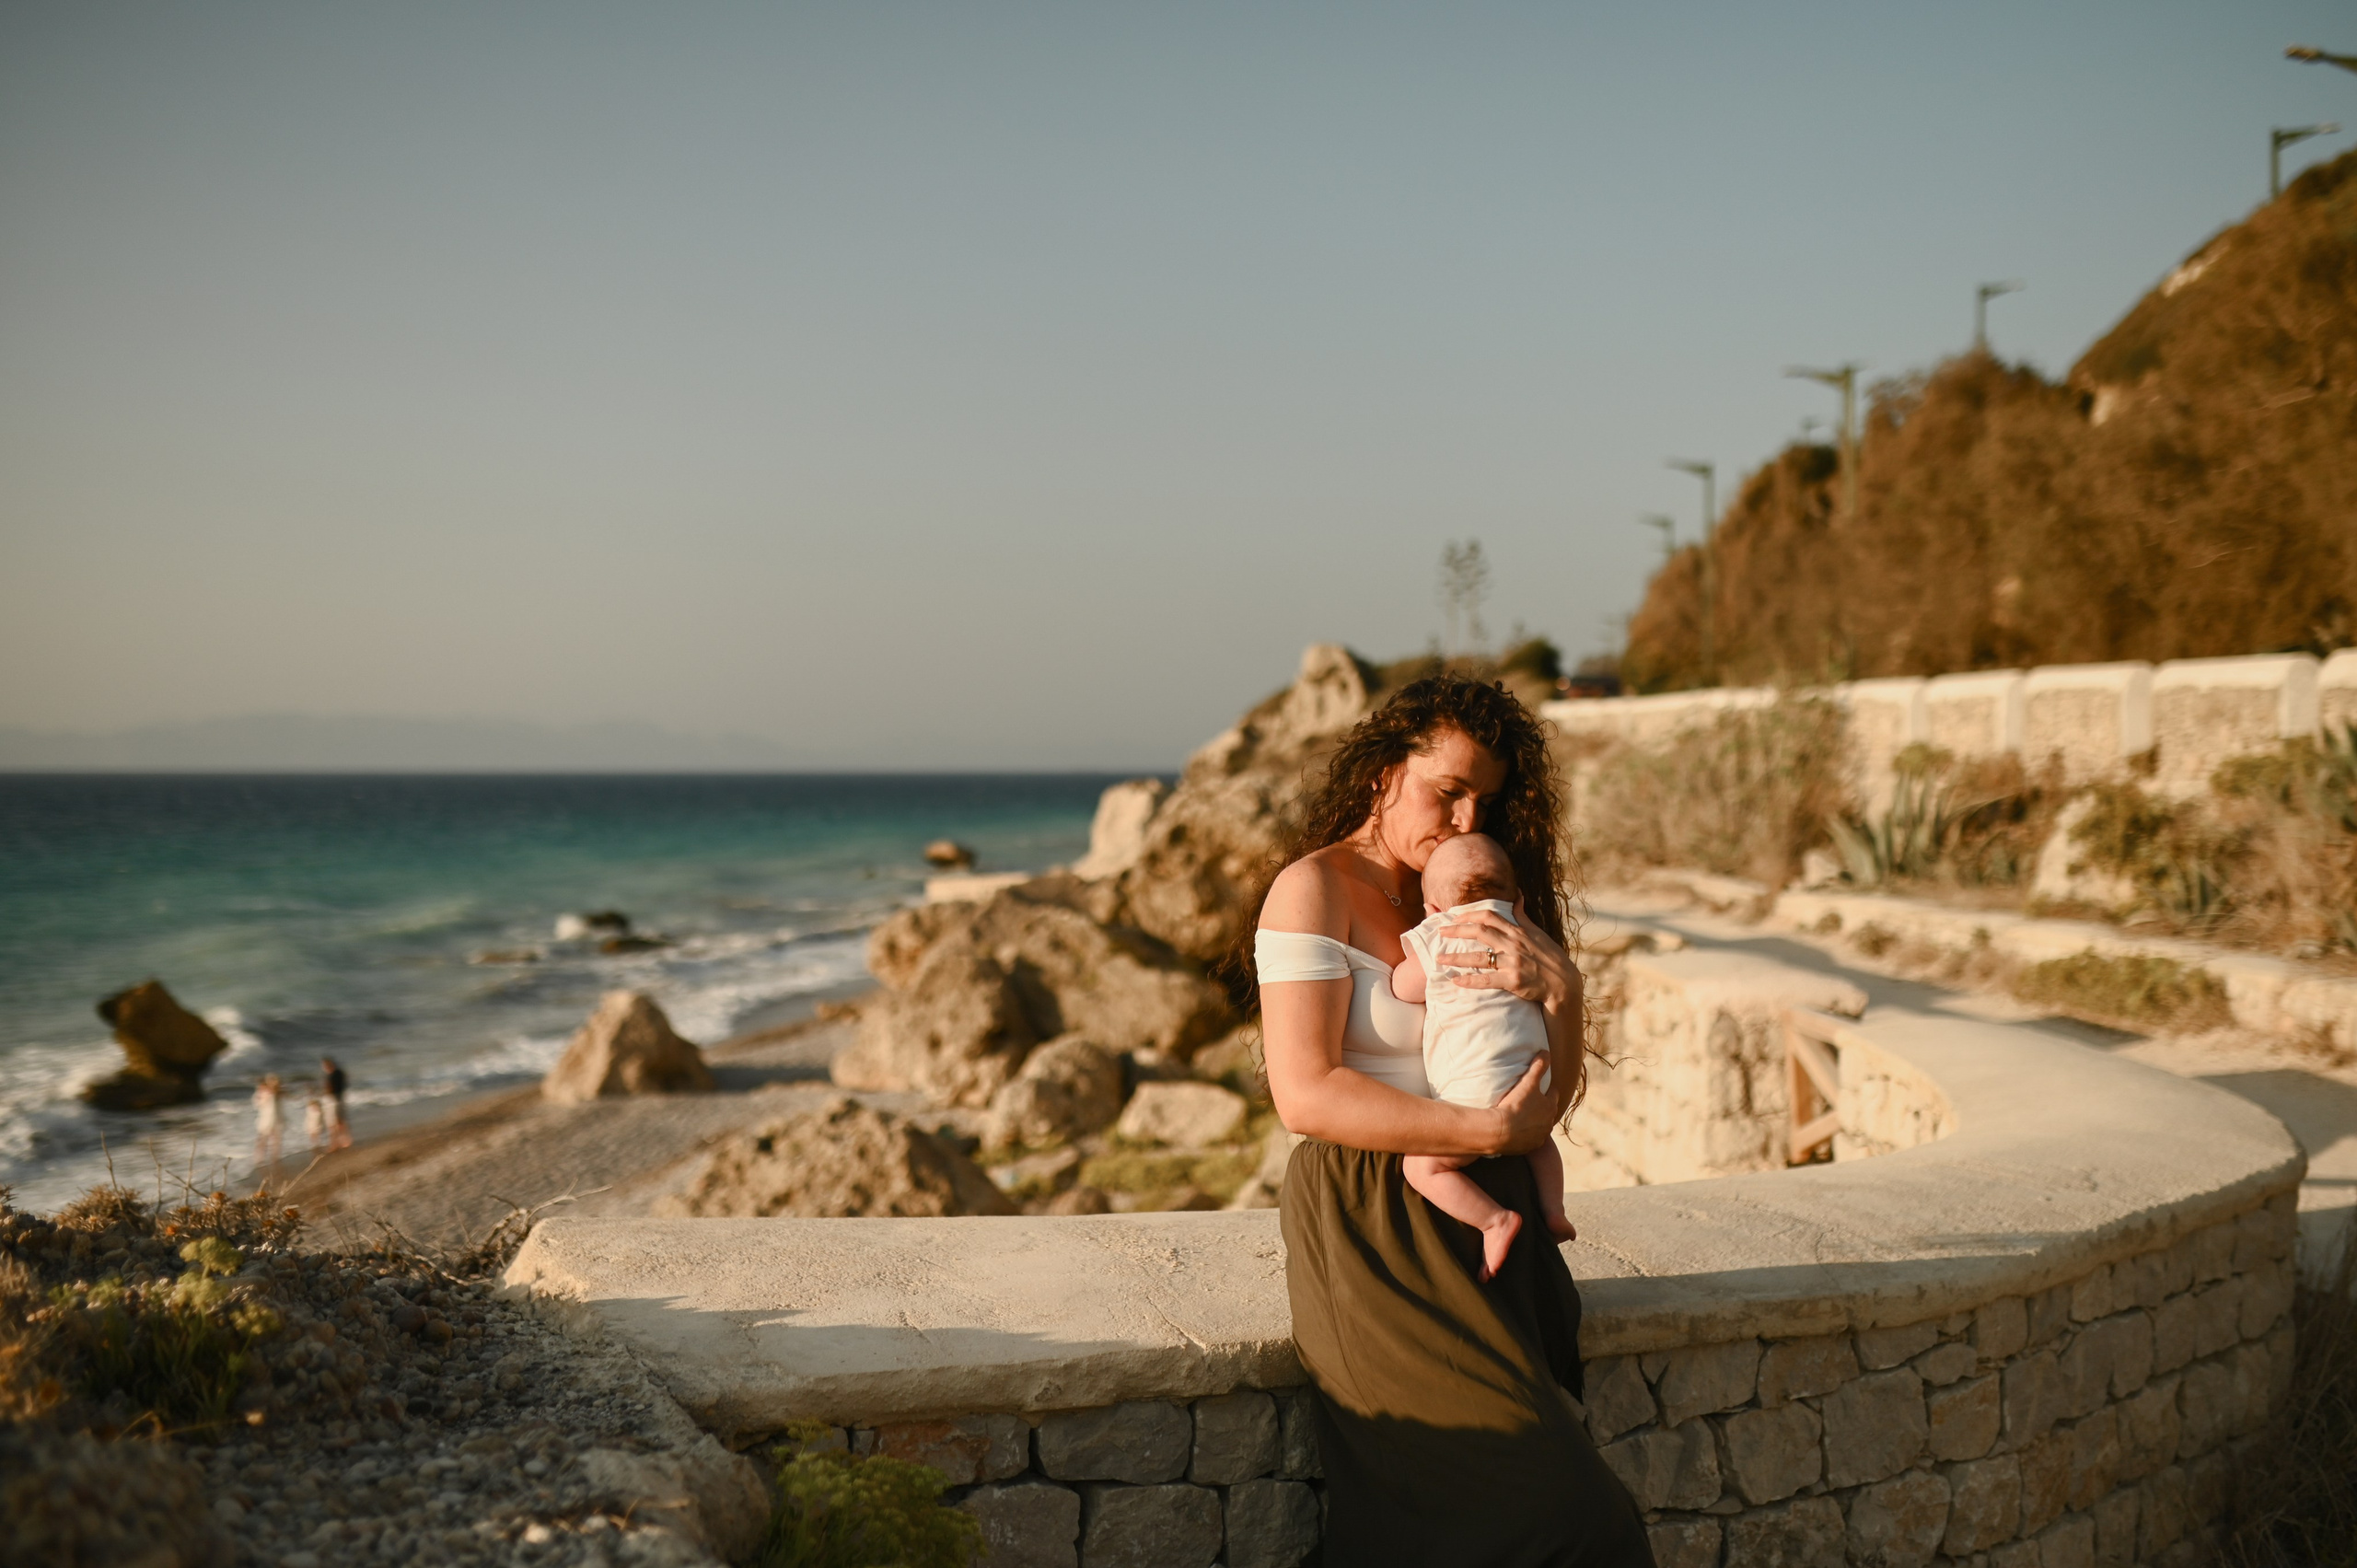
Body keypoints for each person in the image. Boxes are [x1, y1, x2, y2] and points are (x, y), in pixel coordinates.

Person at [1247, 673, 1652, 1566]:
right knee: (1562, 1514)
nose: (1469, 819)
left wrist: (1565, 996)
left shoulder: (1477, 891)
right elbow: (1305, 1092)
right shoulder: (1310, 890)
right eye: (1448, 789)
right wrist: (1481, 1137)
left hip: (1492, 1219)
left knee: (1481, 1516)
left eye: (1487, 799)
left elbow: (1543, 1089)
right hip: (1372, 1216)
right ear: (1380, 772)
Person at [1388, 832, 1578, 1283]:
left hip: (1474, 1094)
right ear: (1518, 899)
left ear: (1432, 910)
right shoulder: (1524, 937)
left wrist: (1407, 971)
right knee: (1541, 1143)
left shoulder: (1439, 934)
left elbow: (1404, 986)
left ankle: (1494, 1220)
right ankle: (1554, 1210)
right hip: (1536, 1079)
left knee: (1421, 1166)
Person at [251, 1074, 284, 1168]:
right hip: (265, 1120)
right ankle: (259, 1159)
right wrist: (262, 1095)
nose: (274, 1084)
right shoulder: (263, 1093)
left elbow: (284, 1096)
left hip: (276, 1119)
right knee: (262, 1140)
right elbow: (256, 1104)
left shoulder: (277, 1093)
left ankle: (275, 1158)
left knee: (276, 1140)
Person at [319, 1056, 352, 1150]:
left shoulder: (331, 1076)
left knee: (334, 1122)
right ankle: (345, 1140)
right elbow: (345, 1083)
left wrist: (324, 1092)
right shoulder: (340, 1072)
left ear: (327, 1066)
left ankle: (337, 1142)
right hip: (340, 1097)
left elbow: (329, 1089)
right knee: (341, 1120)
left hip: (333, 1100)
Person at [303, 1088, 328, 1152]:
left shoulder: (316, 1106)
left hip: (314, 1119)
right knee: (312, 1133)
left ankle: (317, 1145)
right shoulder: (309, 1106)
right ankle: (315, 1144)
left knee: (315, 1132)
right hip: (311, 1119)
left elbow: (320, 1111)